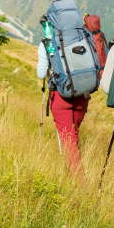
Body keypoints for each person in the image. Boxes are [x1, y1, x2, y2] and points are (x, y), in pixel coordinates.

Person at [37, 36, 89, 176]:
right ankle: (72, 167)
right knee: (74, 132)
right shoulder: (80, 34)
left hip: (60, 95)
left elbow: (41, 73)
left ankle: (80, 183)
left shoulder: (48, 41)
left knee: (67, 140)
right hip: (82, 93)